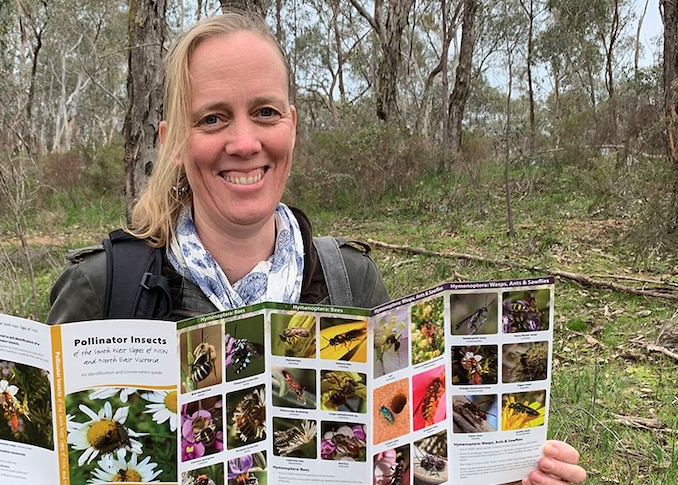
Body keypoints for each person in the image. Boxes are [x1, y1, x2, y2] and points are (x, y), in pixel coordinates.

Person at [46, 12, 586, 485]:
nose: (243, 142)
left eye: (265, 112)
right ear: (172, 140)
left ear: (292, 127)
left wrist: (495, 478)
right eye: (212, 118)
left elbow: (394, 461)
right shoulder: (104, 289)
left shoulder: (352, 281)